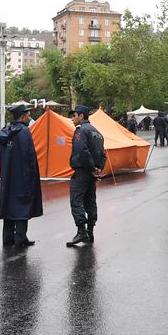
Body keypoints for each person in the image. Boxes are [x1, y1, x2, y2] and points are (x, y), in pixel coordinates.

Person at [0, 103, 42, 247]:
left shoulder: (5, 132)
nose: (30, 117)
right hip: (22, 177)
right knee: (22, 206)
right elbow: (28, 156)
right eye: (28, 115)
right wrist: (32, 176)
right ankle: (20, 238)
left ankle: (8, 237)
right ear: (22, 117)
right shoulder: (24, 132)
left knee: (9, 206)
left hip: (8, 177)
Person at [67, 105, 106, 248]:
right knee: (90, 201)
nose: (72, 119)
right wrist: (98, 168)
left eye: (74, 115)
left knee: (76, 200)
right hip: (92, 173)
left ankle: (81, 230)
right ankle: (90, 231)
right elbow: (103, 153)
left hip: (83, 171)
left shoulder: (80, 131)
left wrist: (90, 167)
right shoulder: (97, 132)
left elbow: (81, 151)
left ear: (81, 116)